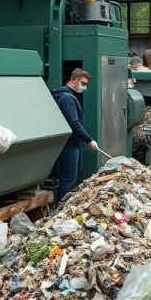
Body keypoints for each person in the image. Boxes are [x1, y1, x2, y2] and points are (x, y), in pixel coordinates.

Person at [52, 68, 99, 203]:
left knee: (70, 178)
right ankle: (60, 210)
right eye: (83, 83)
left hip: (72, 144)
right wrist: (89, 140)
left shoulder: (67, 96)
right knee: (68, 179)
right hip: (70, 145)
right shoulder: (67, 98)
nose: (85, 87)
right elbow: (74, 122)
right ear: (75, 81)